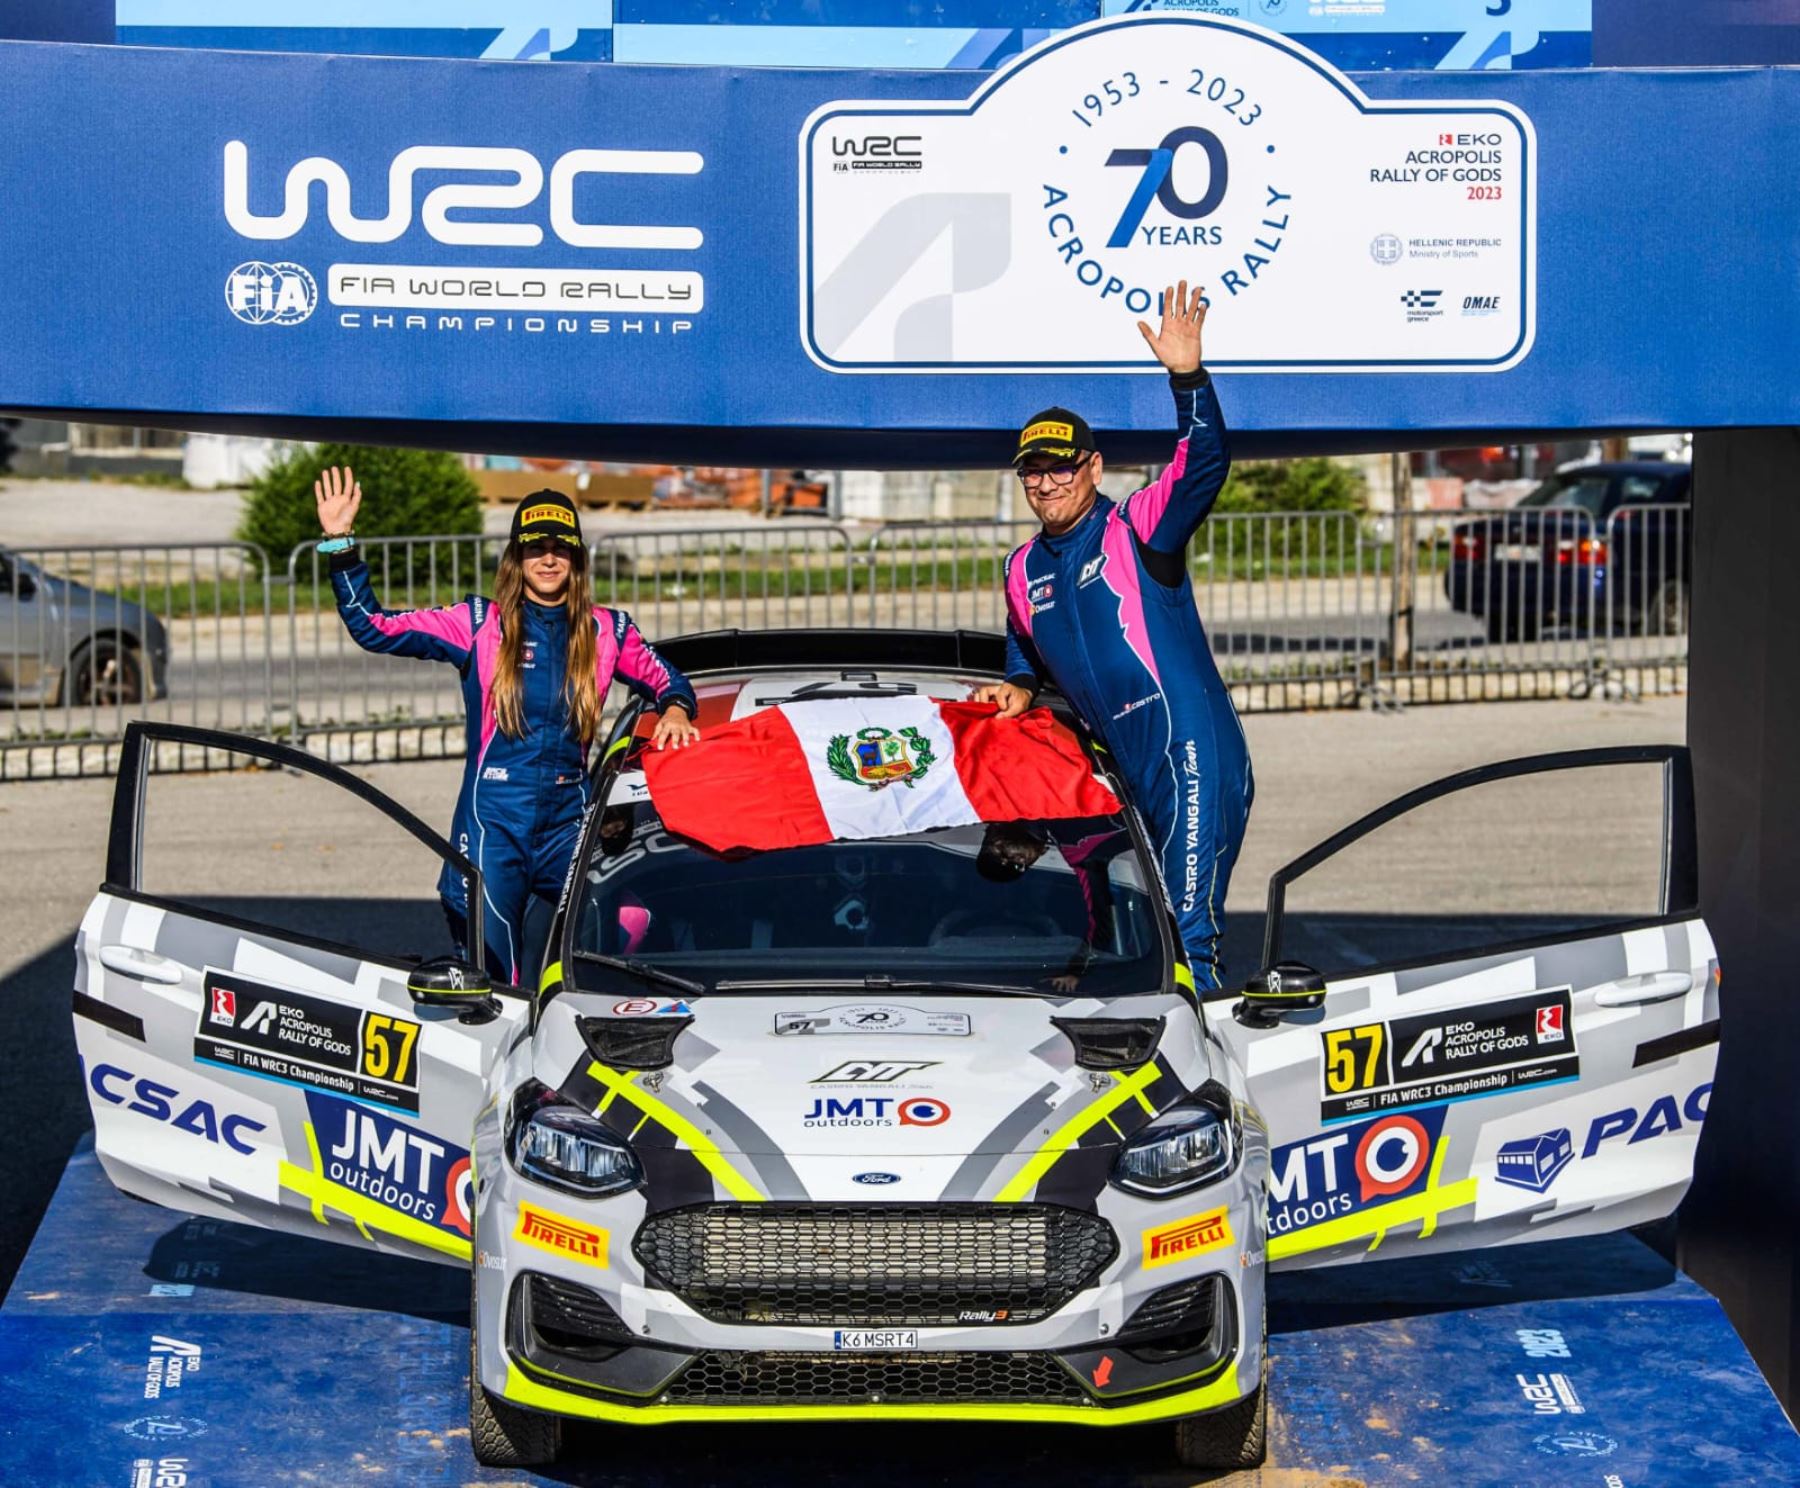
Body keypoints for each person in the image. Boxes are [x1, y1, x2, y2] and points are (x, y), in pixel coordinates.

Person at [314, 469, 699, 983]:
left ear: (577, 558)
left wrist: (675, 709)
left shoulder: (608, 630)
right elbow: (374, 627)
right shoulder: (476, 624)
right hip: (493, 828)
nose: (548, 559)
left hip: (568, 826)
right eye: (535, 547)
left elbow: (671, 681)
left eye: (560, 548)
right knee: (499, 982)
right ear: (516, 557)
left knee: (628, 925)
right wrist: (340, 545)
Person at [974, 281, 1251, 992]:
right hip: (1118, 770)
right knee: (1138, 936)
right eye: (1032, 471)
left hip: (1189, 753)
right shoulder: (1021, 567)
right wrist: (1018, 683)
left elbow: (1204, 463)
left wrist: (1188, 377)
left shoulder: (1137, 525)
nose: (1046, 483)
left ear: (1093, 467)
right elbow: (1022, 641)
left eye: (1061, 467)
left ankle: (1203, 1052)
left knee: (1189, 934)